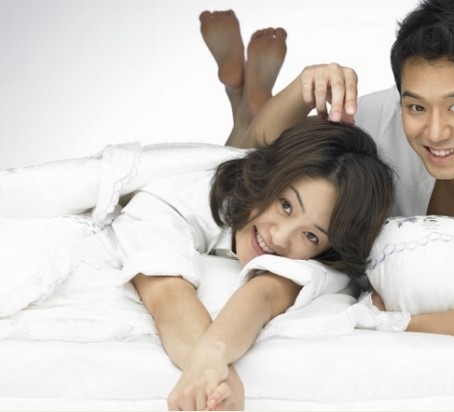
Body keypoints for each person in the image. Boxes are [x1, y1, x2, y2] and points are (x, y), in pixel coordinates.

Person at [115, 10, 394, 411]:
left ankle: (247, 101)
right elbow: (166, 293)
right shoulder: (175, 199)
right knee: (245, 151)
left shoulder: (320, 262)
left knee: (253, 147)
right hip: (230, 177)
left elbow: (264, 295)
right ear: (270, 181)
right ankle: (253, 100)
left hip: (259, 167)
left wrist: (216, 369)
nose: (279, 237)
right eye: (286, 205)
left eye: (310, 235)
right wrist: (215, 375)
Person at [236, 0, 454, 344]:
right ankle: (250, 102)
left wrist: (395, 325)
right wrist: (301, 90)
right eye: (416, 107)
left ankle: (250, 100)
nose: (435, 133)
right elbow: (253, 161)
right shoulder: (384, 117)